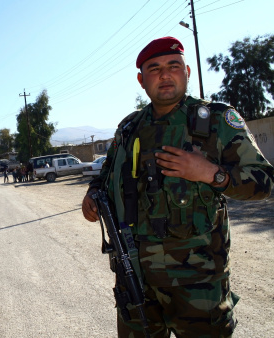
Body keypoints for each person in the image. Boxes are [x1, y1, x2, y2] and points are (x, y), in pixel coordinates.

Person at [81, 37, 274, 337]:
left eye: (173, 66)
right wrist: (92, 195)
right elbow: (104, 176)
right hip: (135, 283)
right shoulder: (129, 128)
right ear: (141, 80)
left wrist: (212, 174)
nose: (165, 74)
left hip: (198, 288)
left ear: (187, 71)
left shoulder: (217, 121)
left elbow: (265, 183)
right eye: (154, 69)